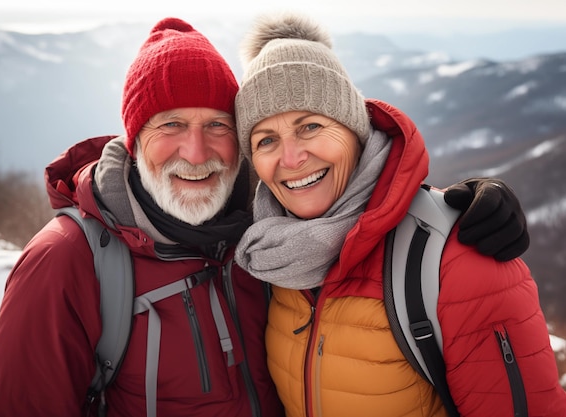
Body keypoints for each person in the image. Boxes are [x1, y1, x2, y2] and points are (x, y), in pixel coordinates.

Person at [0, 16, 531, 417]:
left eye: (217, 125)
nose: (196, 152)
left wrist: (444, 209)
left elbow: (364, 208)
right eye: (169, 125)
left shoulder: (262, 231)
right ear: (134, 138)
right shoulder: (68, 262)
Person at [234, 13, 566, 417]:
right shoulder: (265, 257)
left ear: (353, 128)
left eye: (310, 127)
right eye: (266, 139)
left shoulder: (455, 257)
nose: (291, 157)